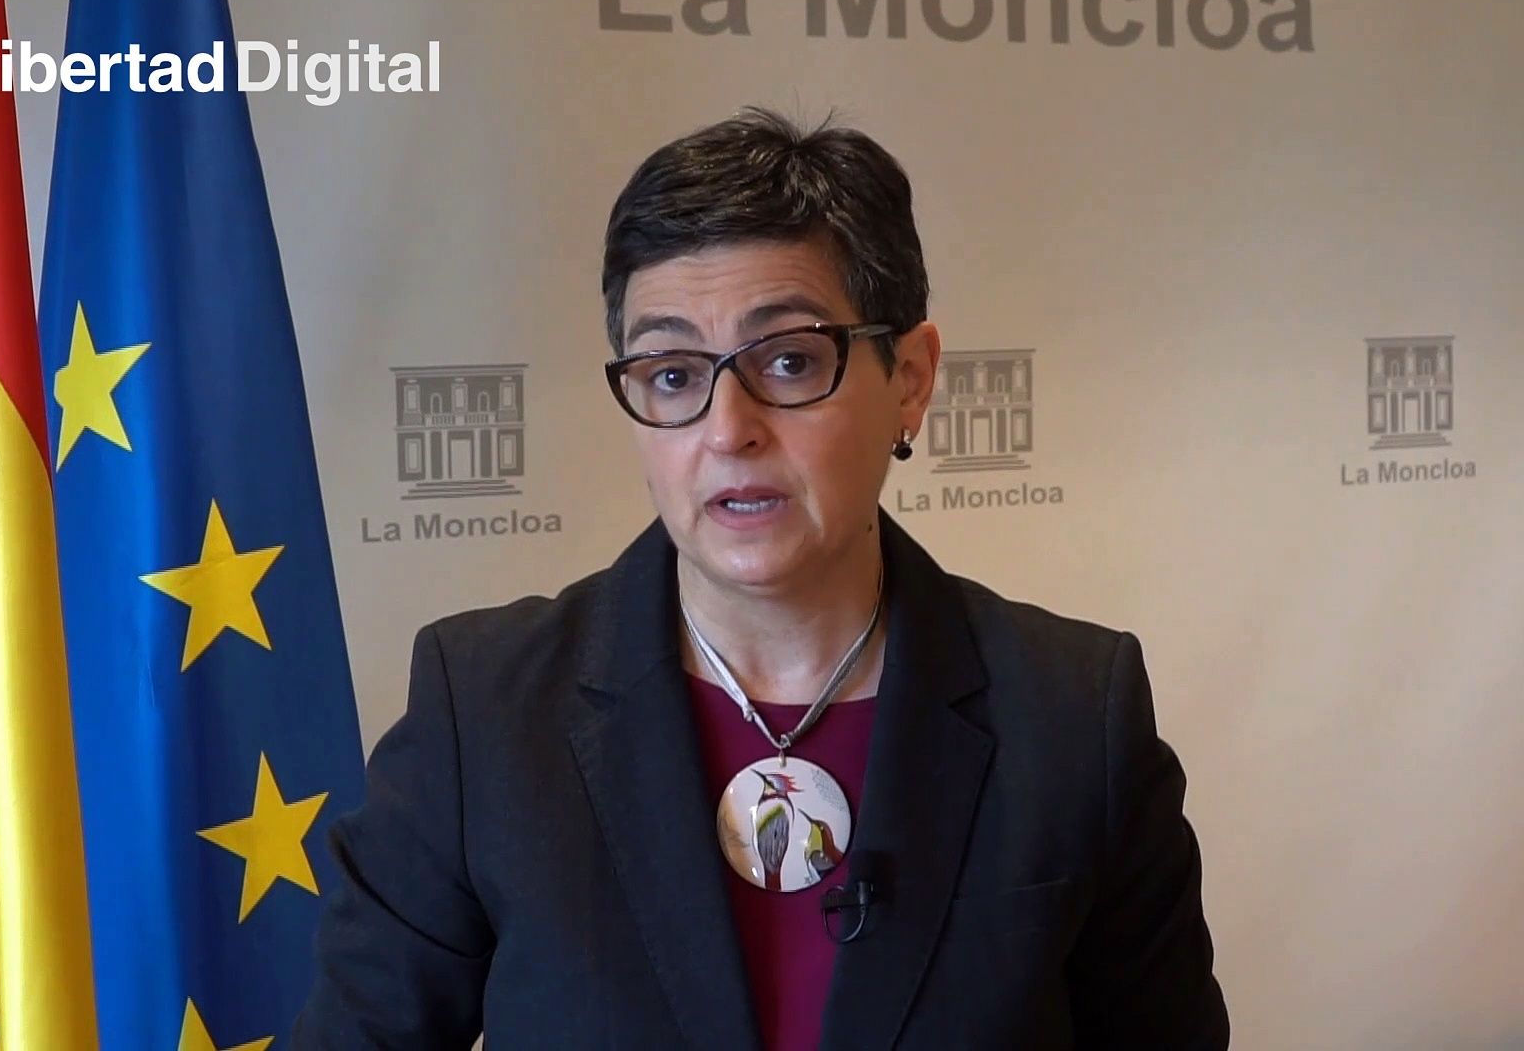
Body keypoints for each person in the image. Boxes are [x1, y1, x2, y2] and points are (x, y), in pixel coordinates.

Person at [293, 107, 1229, 1050]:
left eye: (788, 361)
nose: (727, 429)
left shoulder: (1073, 713)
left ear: (910, 379)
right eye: (672, 373)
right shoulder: (486, 710)